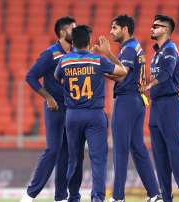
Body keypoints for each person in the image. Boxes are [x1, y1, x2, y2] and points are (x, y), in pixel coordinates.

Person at [54, 25, 127, 202]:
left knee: (74, 159)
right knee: (98, 159)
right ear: (88, 42)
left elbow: (57, 77)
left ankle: (73, 197)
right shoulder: (98, 61)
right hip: (94, 115)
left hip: (72, 115)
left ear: (73, 43)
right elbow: (123, 73)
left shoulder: (64, 61)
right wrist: (107, 53)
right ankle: (97, 198)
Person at [23, 16, 81, 202]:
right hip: (55, 108)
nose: (77, 32)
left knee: (66, 153)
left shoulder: (75, 52)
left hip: (70, 109)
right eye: (74, 29)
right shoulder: (50, 54)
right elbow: (31, 76)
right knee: (53, 150)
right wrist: (47, 97)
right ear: (63, 32)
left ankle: (61, 197)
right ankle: (29, 195)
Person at [107, 15, 162, 202]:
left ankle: (118, 197)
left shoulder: (129, 49)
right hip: (136, 101)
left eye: (114, 28)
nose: (111, 32)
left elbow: (122, 76)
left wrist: (103, 60)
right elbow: (122, 73)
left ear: (125, 29)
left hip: (126, 101)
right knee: (138, 148)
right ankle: (154, 194)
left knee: (120, 149)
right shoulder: (132, 47)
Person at [140, 15, 179, 202]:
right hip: (156, 106)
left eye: (156, 26)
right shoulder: (156, 53)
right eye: (152, 25)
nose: (152, 28)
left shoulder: (171, 49)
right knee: (159, 152)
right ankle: (166, 194)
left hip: (169, 104)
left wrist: (149, 84)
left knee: (174, 149)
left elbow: (167, 73)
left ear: (166, 30)